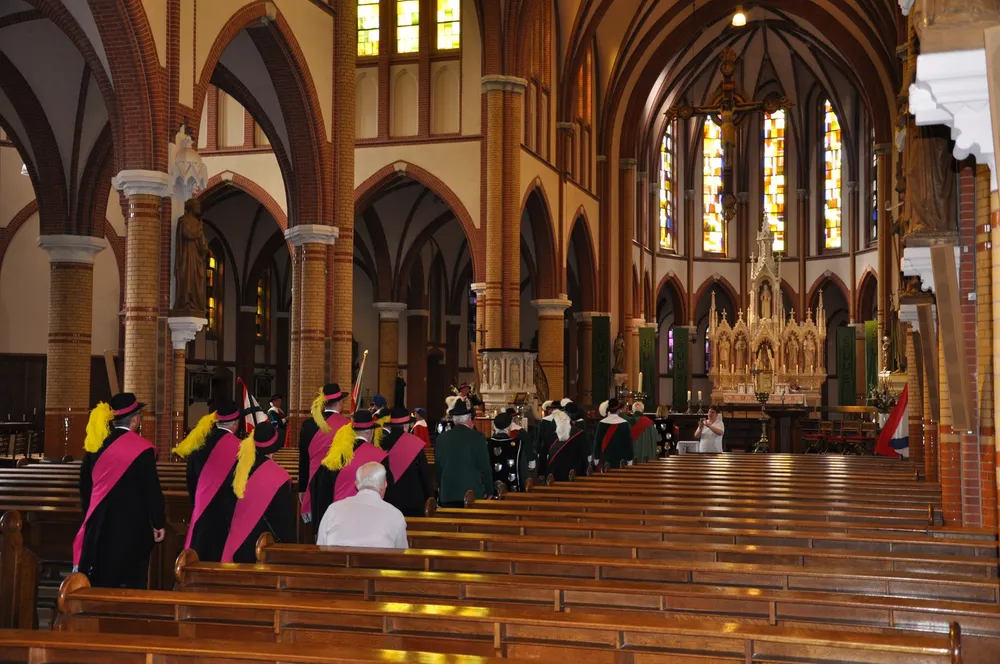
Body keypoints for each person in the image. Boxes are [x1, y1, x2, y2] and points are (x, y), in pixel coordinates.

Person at [75, 393, 164, 588]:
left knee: (102, 578)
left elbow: (85, 487)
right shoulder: (143, 449)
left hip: (101, 524)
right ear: (134, 420)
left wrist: (90, 517)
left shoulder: (95, 446)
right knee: (132, 581)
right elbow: (151, 489)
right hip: (134, 527)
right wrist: (158, 522)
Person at [173, 400, 242, 562]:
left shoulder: (199, 444)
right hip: (228, 515)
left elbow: (190, 478)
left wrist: (197, 501)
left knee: (201, 556)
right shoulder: (241, 448)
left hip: (203, 509)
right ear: (235, 424)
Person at [222, 422, 295, 563]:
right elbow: (285, 522)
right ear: (274, 449)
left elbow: (228, 505)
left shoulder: (239, 468)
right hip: (265, 547)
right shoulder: (280, 476)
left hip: (237, 544)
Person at [309, 410, 391, 528]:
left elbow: (322, 491)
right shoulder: (380, 456)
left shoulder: (336, 456)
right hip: (370, 520)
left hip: (339, 517)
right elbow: (387, 492)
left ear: (352, 431)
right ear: (372, 432)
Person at [316, 462, 408, 548]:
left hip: (336, 560)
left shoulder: (333, 509)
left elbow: (320, 546)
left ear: (356, 484)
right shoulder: (395, 514)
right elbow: (401, 553)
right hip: (377, 560)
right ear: (384, 484)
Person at [297, 383, 349, 523]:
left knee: (318, 521)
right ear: (340, 403)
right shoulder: (347, 425)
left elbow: (303, 459)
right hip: (339, 480)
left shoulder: (308, 425)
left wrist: (302, 488)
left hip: (314, 480)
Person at [434, 398, 493, 506]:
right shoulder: (478, 437)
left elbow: (438, 469)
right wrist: (489, 490)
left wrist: (441, 490)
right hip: (472, 494)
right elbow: (485, 467)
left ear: (454, 419)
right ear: (469, 419)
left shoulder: (441, 438)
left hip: (448, 495)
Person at [382, 407, 434, 517]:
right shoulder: (415, 442)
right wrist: (430, 496)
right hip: (413, 500)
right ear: (406, 425)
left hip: (389, 501)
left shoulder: (382, 443)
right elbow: (424, 474)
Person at [543, 408, 588, 482]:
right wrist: (584, 472)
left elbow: (544, 453)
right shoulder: (579, 433)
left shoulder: (550, 433)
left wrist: (541, 472)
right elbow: (583, 455)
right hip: (573, 471)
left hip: (554, 472)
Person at [488, 412, 527, 492]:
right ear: (509, 427)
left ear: (494, 427)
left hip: (491, 491)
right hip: (512, 493)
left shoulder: (487, 443)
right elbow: (523, 470)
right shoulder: (518, 444)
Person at [593, 399, 633, 470]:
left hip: (606, 457)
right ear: (618, 409)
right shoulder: (625, 423)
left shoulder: (601, 423)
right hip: (621, 458)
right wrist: (630, 459)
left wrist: (596, 457)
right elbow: (628, 443)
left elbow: (597, 442)